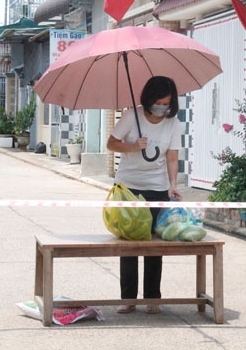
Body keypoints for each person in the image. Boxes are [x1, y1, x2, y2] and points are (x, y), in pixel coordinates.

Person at [106, 76, 183, 315]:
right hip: (128, 187)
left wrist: (172, 184)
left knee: (153, 244)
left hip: (157, 187)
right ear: (149, 99)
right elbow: (111, 143)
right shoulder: (131, 116)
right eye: (159, 102)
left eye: (167, 103)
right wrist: (133, 147)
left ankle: (152, 298)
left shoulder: (173, 122)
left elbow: (171, 156)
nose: (162, 107)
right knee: (129, 243)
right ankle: (128, 298)